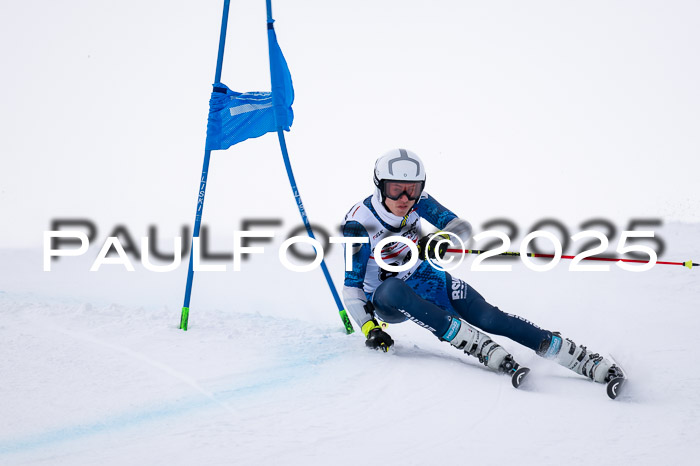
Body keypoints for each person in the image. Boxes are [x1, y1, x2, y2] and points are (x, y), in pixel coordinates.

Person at [340, 148, 624, 388]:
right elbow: (351, 285)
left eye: (412, 190)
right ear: (379, 186)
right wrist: (370, 328)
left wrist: (441, 239)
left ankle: (582, 359)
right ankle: (477, 345)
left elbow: (460, 226)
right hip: (388, 300)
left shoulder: (419, 203)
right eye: (395, 189)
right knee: (393, 288)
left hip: (425, 277)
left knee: (490, 317)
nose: (405, 198)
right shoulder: (359, 223)